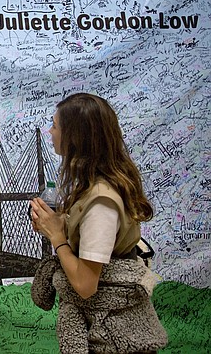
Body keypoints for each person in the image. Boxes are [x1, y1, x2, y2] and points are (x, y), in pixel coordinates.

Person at [29, 93, 168, 353]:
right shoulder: (93, 188)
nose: (50, 131)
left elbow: (84, 285)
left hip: (111, 339)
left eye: (56, 125)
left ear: (75, 137)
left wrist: (57, 237)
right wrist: (58, 224)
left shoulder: (101, 201)